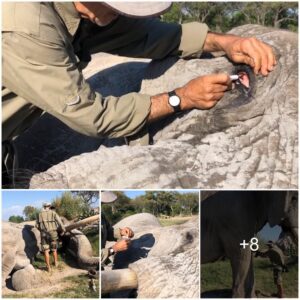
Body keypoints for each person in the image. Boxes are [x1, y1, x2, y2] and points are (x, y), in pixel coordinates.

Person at [2, 2, 276, 185]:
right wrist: (181, 97)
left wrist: (225, 41)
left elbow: (152, 36)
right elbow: (92, 116)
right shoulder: (28, 26)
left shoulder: (87, 11)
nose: (124, 15)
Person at [101, 192, 134, 267]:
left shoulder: (101, 216)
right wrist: (114, 248)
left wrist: (121, 232)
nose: (102, 204)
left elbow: (108, 232)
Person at [35, 202, 66, 272]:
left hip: (43, 234)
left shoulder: (39, 214)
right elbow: (60, 222)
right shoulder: (53, 213)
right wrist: (63, 230)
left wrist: (41, 231)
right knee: (54, 249)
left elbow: (36, 226)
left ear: (44, 206)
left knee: (46, 250)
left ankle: (48, 267)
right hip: (53, 233)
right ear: (49, 206)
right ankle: (56, 263)